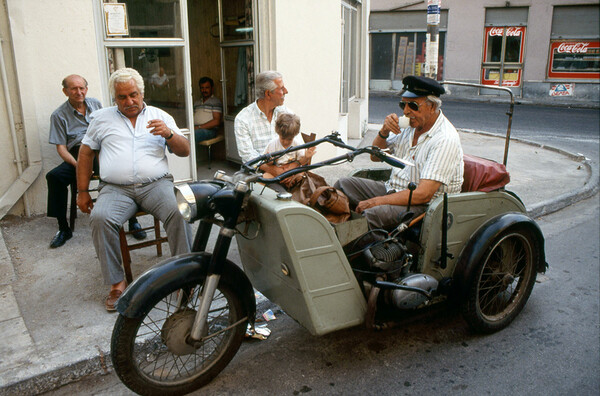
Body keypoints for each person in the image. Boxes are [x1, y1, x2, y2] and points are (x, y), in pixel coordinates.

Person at [76, 67, 192, 311]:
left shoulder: (160, 116)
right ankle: (117, 283)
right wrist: (83, 191)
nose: (129, 101)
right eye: (122, 97)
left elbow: (185, 151)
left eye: (133, 95)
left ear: (141, 93)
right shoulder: (101, 119)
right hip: (116, 189)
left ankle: (184, 277)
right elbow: (85, 153)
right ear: (114, 98)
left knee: (180, 210)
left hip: (156, 185)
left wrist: (170, 134)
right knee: (100, 218)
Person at [335, 75, 464, 231]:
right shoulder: (410, 127)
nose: (406, 111)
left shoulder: (444, 139)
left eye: (413, 106)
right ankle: (337, 234)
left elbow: (423, 194)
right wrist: (383, 132)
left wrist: (377, 201)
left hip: (425, 206)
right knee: (342, 185)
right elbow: (375, 156)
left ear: (431, 106)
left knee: (371, 214)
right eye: (403, 104)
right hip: (395, 189)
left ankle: (365, 252)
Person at [45, 74, 144, 249]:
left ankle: (133, 221)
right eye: (73, 89)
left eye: (82, 88)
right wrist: (79, 167)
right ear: (65, 91)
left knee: (122, 169)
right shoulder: (59, 115)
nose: (78, 92)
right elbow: (61, 148)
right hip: (76, 154)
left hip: (101, 149)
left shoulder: (96, 104)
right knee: (54, 177)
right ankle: (63, 228)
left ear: (86, 89)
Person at [234, 70, 292, 177]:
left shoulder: (286, 113)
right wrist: (272, 170)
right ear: (268, 94)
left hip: (287, 168)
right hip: (259, 173)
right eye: (281, 88)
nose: (286, 91)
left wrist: (290, 168)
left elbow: (297, 144)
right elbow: (247, 155)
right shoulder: (243, 119)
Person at [262, 113, 316, 180]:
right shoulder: (273, 144)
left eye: (289, 139)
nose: (286, 142)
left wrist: (307, 157)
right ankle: (278, 188)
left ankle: (292, 184)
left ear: (294, 136)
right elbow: (266, 163)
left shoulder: (296, 144)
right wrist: (270, 161)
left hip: (292, 173)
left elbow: (301, 161)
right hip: (277, 174)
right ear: (278, 133)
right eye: (283, 138)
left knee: (301, 175)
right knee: (266, 176)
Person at [193, 76, 223, 142]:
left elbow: (216, 121)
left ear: (212, 88)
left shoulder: (215, 101)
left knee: (193, 135)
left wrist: (199, 127)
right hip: (196, 129)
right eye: (202, 88)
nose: (204, 90)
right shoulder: (197, 102)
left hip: (210, 130)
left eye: (207, 88)